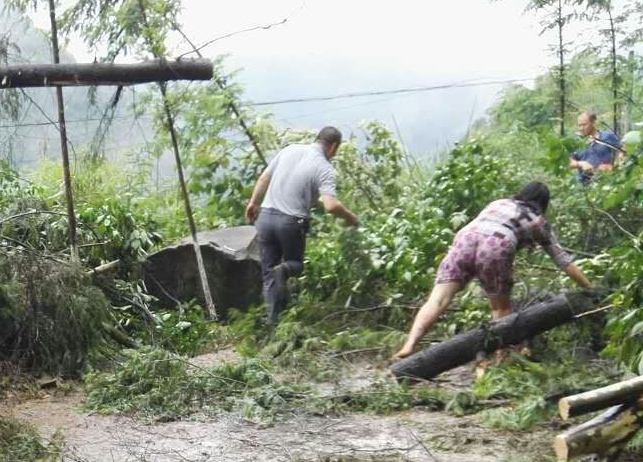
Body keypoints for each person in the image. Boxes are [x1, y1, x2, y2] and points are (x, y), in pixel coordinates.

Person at [392, 181, 591, 361]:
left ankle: (409, 345)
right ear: (543, 203)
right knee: (500, 309)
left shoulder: (499, 203)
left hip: (465, 238)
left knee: (437, 300)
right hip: (496, 243)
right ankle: (500, 359)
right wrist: (590, 288)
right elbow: (563, 261)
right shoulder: (538, 220)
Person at [245, 126, 360, 322]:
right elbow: (332, 206)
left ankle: (274, 324)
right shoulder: (325, 168)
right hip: (290, 222)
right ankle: (285, 270)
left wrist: (253, 202)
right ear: (333, 147)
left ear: (318, 139)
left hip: (265, 217)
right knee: (295, 265)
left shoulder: (290, 150)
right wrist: (351, 218)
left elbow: (264, 177)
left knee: (269, 274)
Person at [570, 111, 622, 183]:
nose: (581, 128)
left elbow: (621, 150)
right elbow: (568, 161)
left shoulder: (607, 136)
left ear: (593, 122)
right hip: (584, 183)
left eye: (584, 125)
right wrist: (581, 163)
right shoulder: (576, 142)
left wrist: (616, 166)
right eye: (579, 125)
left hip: (606, 181)